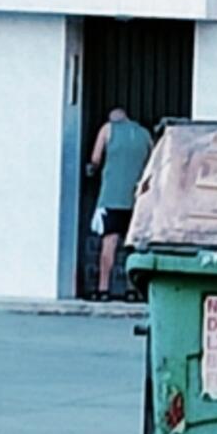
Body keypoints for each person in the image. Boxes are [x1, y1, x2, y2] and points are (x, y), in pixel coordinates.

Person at [86, 107, 154, 301]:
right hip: (136, 198)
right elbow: (153, 164)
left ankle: (103, 289)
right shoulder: (144, 134)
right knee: (132, 247)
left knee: (109, 245)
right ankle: (132, 290)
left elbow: (95, 159)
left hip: (112, 196)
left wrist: (92, 169)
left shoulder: (107, 130)